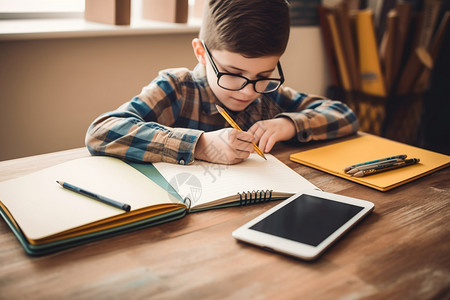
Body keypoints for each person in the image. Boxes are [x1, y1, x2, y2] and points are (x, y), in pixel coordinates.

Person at [85, 0, 359, 165]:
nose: (249, 91)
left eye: (263, 76)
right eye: (232, 73)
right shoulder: (177, 88)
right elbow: (101, 132)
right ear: (201, 53)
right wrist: (200, 145)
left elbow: (344, 115)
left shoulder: (269, 97)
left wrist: (287, 124)